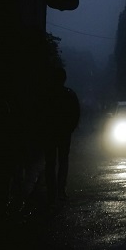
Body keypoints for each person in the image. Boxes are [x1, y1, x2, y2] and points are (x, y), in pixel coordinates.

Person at [43, 65, 80, 203]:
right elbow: (76, 113)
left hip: (50, 133)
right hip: (64, 133)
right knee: (63, 161)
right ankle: (61, 190)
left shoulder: (47, 95)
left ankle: (51, 192)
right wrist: (70, 128)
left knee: (50, 163)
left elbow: (41, 114)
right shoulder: (69, 94)